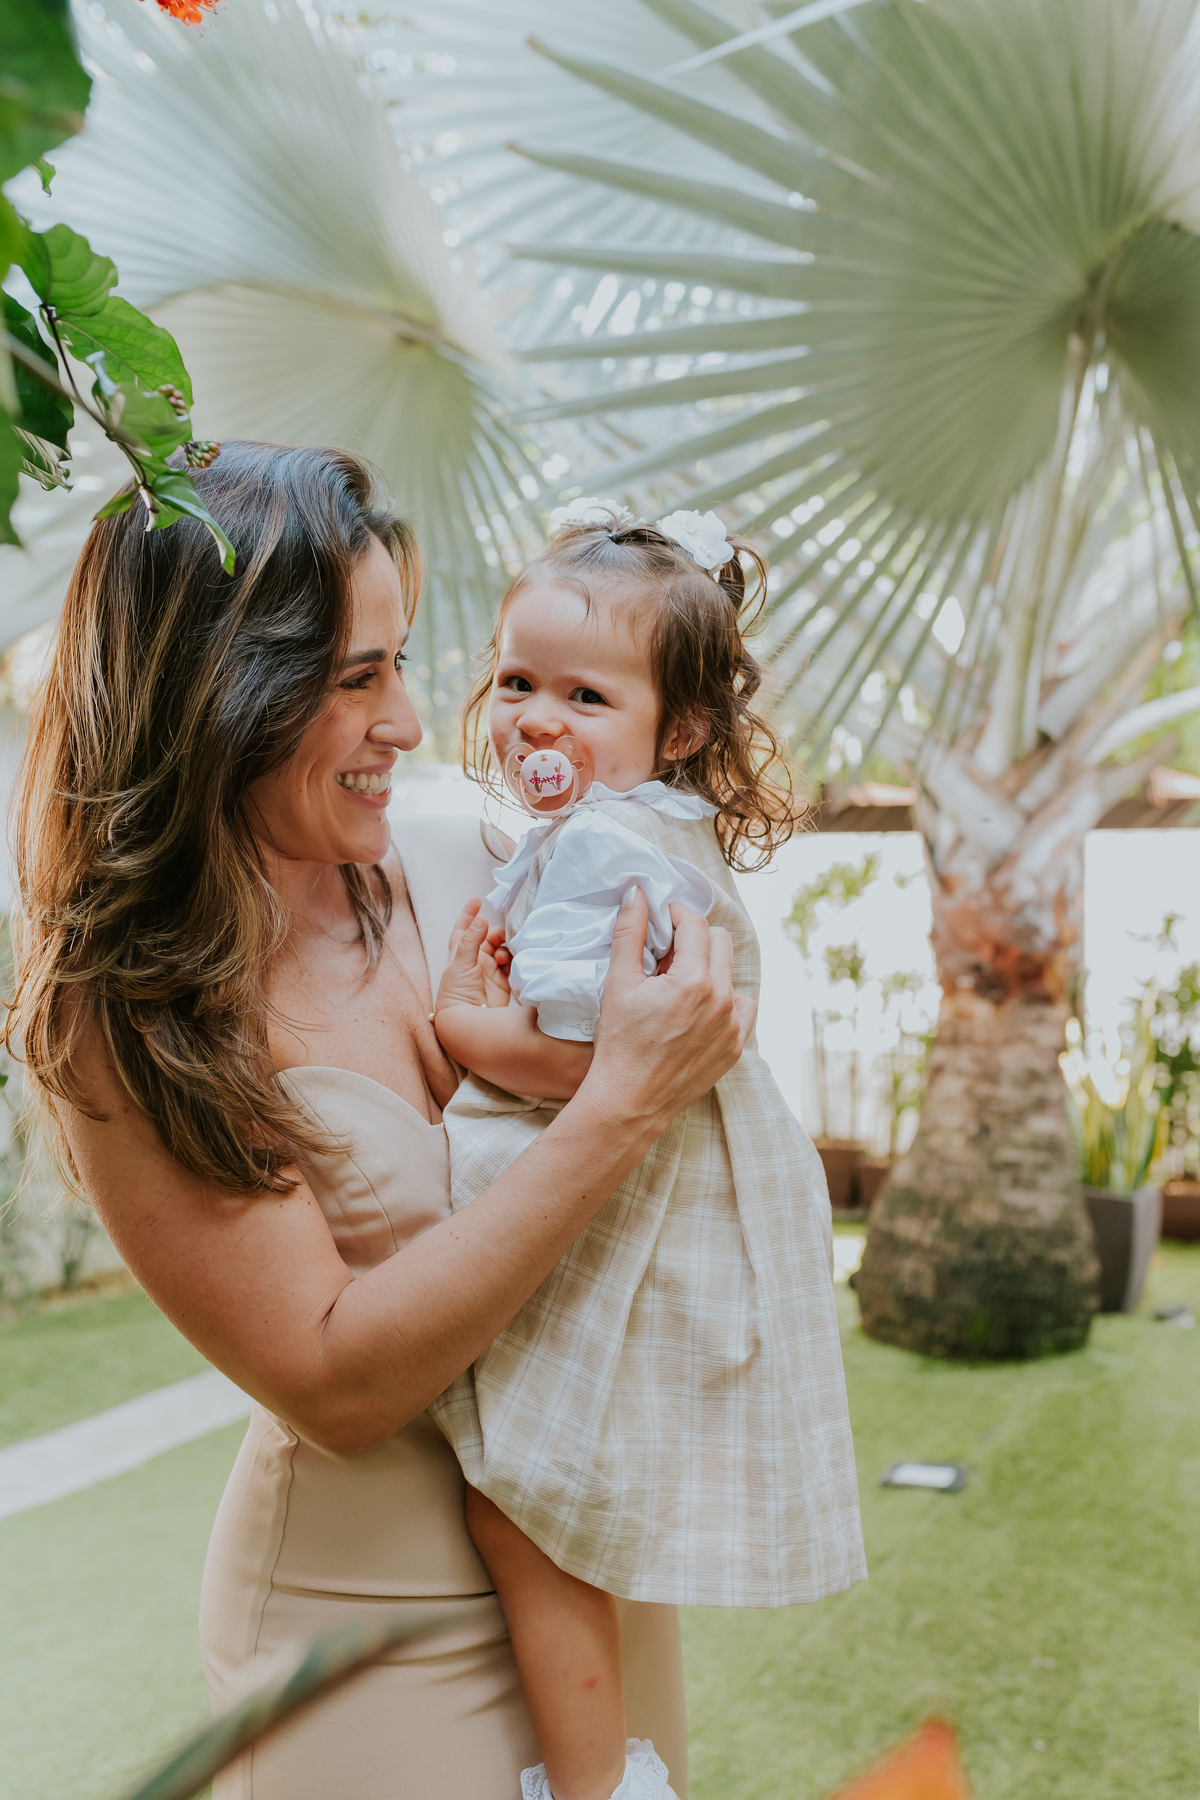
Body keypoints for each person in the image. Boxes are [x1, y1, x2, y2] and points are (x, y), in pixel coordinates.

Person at [4, 444, 756, 1800]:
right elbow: (338, 1381)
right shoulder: (128, 1012)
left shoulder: (466, 860)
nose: (412, 721)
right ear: (222, 697)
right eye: (359, 678)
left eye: (403, 663)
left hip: (582, 1561)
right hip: (364, 1636)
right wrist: (620, 1107)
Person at [428, 501, 867, 1800]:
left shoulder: (606, 851)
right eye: (517, 682)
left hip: (609, 1222)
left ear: (676, 730)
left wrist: (465, 1025)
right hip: (650, 1209)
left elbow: (600, 1066)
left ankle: (596, 1790)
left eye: (586, 695)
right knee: (552, 1508)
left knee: (521, 1510)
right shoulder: (647, 834)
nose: (537, 720)